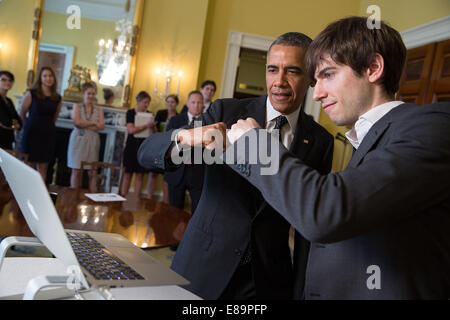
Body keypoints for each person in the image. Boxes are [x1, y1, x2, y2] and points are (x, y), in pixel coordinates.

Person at [225, 17, 450, 299]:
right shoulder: (368, 139)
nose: (317, 94)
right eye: (315, 80)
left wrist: (253, 144)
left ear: (373, 68)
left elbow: (326, 211)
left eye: (328, 75)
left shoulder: (434, 126)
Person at [138, 32, 333, 299]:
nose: (279, 82)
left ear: (311, 77)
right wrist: (184, 138)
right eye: (272, 70)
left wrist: (300, 292)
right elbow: (146, 151)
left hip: (267, 279)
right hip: (203, 265)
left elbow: (308, 228)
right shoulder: (225, 113)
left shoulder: (320, 141)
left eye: (293, 71)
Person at [162, 90, 205, 213]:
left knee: (197, 212)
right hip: (176, 171)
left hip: (198, 173)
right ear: (187, 103)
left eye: (199, 102)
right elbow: (168, 143)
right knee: (174, 212)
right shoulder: (175, 120)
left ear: (203, 105)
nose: (196, 105)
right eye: (193, 102)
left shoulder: (208, 122)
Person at [20, 66, 62, 181]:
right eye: (45, 76)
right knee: (28, 165)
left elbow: (55, 117)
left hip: (48, 134)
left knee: (43, 167)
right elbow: (22, 112)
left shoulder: (57, 97)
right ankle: (25, 194)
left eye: (50, 76)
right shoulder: (31, 93)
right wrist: (28, 124)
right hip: (31, 133)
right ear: (40, 78)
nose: (48, 78)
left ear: (54, 78)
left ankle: (39, 195)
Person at [67, 82, 105, 192]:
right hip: (78, 140)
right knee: (76, 170)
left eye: (93, 94)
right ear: (83, 94)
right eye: (89, 93)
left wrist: (86, 123)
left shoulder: (99, 109)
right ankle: (74, 196)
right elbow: (77, 122)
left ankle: (92, 199)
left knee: (92, 171)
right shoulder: (77, 106)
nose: (91, 96)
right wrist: (94, 123)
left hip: (93, 142)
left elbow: (102, 126)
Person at [120, 91, 156, 196]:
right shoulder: (130, 112)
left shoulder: (150, 114)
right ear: (139, 101)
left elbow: (155, 133)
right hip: (131, 146)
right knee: (127, 174)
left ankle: (136, 199)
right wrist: (146, 126)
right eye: (145, 102)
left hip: (143, 147)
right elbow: (131, 130)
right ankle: (122, 198)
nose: (146, 105)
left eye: (148, 103)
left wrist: (153, 126)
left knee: (140, 175)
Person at [149, 94, 179, 201]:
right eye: (168, 101)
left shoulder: (178, 117)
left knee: (166, 177)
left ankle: (165, 202)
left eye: (172, 102)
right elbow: (154, 129)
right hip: (158, 147)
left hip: (170, 149)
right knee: (153, 173)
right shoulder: (160, 113)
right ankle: (149, 198)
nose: (170, 104)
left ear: (176, 104)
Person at [0, 70, 22, 150]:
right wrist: (13, 125)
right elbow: (6, 122)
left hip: (7, 139)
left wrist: (14, 124)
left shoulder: (9, 101)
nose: (7, 82)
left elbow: (20, 122)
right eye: (3, 80)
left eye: (10, 80)